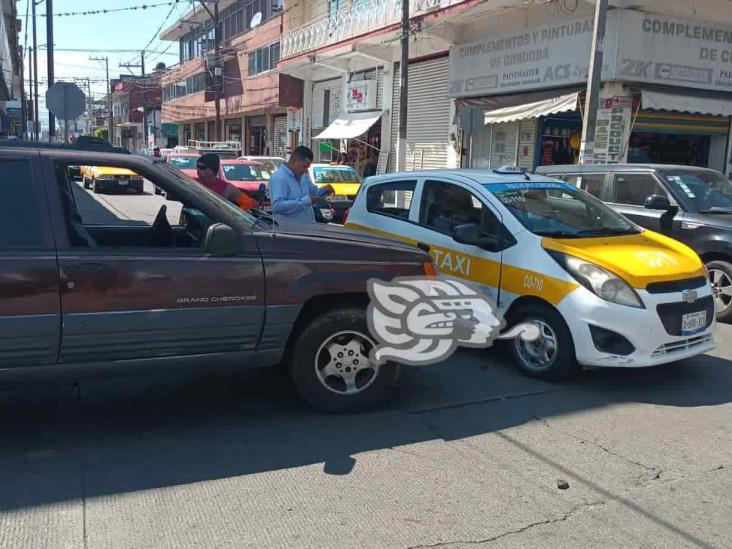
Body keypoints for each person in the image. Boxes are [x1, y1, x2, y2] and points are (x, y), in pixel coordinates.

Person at [269, 145, 334, 224]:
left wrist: (324, 190)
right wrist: (305, 201)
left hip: (306, 228)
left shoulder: (303, 176)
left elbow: (313, 193)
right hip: (289, 231)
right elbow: (277, 206)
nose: (305, 170)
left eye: (307, 167)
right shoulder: (279, 178)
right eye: (303, 166)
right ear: (293, 161)